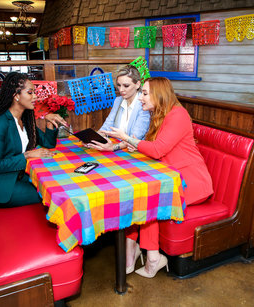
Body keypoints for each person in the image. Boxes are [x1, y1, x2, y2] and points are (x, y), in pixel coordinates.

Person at [101, 77, 214, 278]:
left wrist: (125, 138)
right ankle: (136, 248)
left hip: (192, 181)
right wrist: (116, 146)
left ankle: (152, 257)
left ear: (158, 94)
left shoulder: (177, 115)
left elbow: (157, 149)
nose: (141, 98)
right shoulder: (159, 114)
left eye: (144, 93)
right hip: (169, 178)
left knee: (148, 199)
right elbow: (145, 144)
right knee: (138, 194)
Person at [0, 72, 67, 208]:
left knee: (59, 181)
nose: (35, 96)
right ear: (16, 96)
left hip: (20, 176)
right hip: (3, 187)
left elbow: (48, 144)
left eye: (34, 92)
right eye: (30, 93)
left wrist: (49, 123)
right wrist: (27, 155)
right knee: (54, 194)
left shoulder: (25, 118)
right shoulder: (0, 122)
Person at [88, 65, 150, 152]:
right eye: (119, 85)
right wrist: (92, 139)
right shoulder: (118, 100)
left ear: (137, 85)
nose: (121, 90)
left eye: (126, 86)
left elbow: (134, 138)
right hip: (119, 148)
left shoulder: (144, 104)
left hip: (136, 152)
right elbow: (106, 128)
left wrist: (113, 147)